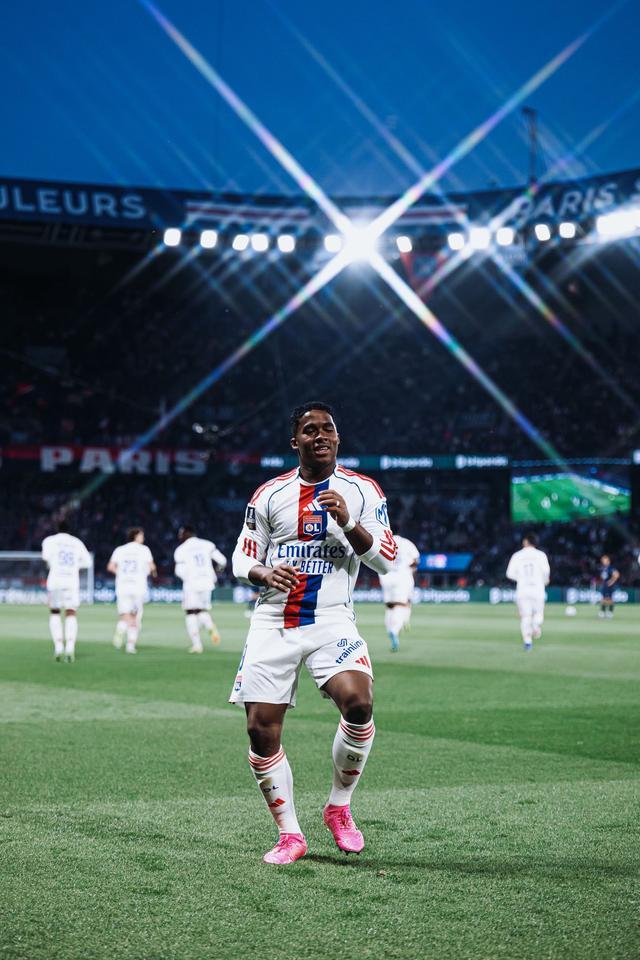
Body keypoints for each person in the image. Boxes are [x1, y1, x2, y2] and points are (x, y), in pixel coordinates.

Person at [230, 401, 397, 865]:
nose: (319, 436)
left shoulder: (362, 491)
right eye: (309, 430)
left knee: (359, 703)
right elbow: (242, 556)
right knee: (260, 730)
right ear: (295, 442)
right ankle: (290, 835)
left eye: (327, 429)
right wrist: (263, 572)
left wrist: (348, 521)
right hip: (274, 620)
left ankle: (339, 807)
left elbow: (386, 560)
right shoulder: (269, 494)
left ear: (338, 438)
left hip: (332, 618)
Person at [41, 520, 92, 662]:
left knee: (55, 612)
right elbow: (88, 562)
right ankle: (70, 647)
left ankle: (58, 647)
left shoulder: (49, 541)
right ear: (70, 529)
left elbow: (45, 557)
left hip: (55, 580)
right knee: (71, 613)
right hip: (71, 581)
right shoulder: (77, 542)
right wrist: (75, 565)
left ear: (57, 528)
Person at [174, 525, 227, 653]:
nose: (180, 536)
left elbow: (179, 571)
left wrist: (188, 578)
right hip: (207, 582)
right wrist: (217, 571)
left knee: (190, 612)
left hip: (192, 583)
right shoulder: (207, 544)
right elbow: (222, 561)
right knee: (201, 610)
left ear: (187, 533)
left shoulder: (181, 549)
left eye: (181, 533)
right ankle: (210, 626)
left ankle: (197, 645)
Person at [107, 527, 156, 654]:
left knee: (125, 615)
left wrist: (121, 574)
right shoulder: (144, 550)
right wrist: (151, 572)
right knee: (135, 617)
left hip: (123, 586)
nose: (143, 538)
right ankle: (130, 646)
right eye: (142, 535)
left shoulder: (120, 550)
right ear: (136, 536)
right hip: (138, 586)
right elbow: (152, 567)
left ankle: (120, 629)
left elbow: (111, 567)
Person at [506, 533, 550, 650]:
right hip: (537, 589)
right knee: (539, 614)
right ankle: (535, 625)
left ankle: (528, 642)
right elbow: (546, 572)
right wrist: (544, 581)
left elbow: (509, 573)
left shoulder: (517, 555)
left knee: (525, 617)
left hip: (523, 589)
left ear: (525, 542)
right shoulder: (541, 555)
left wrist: (521, 578)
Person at [378, 533, 420, 651]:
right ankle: (396, 628)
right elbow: (416, 560)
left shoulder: (383, 541)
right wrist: (410, 567)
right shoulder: (407, 543)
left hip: (385, 576)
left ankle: (391, 629)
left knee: (390, 605)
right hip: (402, 577)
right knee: (402, 604)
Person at [598, 554, 619, 619]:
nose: (603, 562)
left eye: (604, 560)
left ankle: (610, 612)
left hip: (609, 586)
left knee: (609, 600)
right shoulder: (603, 568)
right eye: (602, 560)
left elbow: (617, 574)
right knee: (603, 599)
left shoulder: (610, 568)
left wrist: (611, 581)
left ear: (608, 561)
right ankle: (603, 612)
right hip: (604, 585)